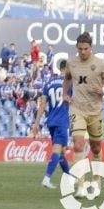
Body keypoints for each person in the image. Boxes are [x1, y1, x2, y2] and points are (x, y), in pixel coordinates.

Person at [61, 32, 104, 199]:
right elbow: (67, 79)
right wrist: (65, 94)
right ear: (77, 48)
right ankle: (80, 186)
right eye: (80, 49)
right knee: (78, 145)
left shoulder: (100, 64)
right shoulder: (72, 62)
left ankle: (97, 180)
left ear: (91, 48)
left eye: (85, 49)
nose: (83, 52)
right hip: (76, 108)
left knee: (96, 147)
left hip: (95, 110)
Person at [33, 60, 71, 189]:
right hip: (62, 121)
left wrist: (36, 123)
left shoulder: (48, 84)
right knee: (57, 150)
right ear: (66, 69)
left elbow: (42, 105)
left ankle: (69, 176)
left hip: (51, 121)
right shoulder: (68, 84)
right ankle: (46, 178)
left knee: (62, 152)